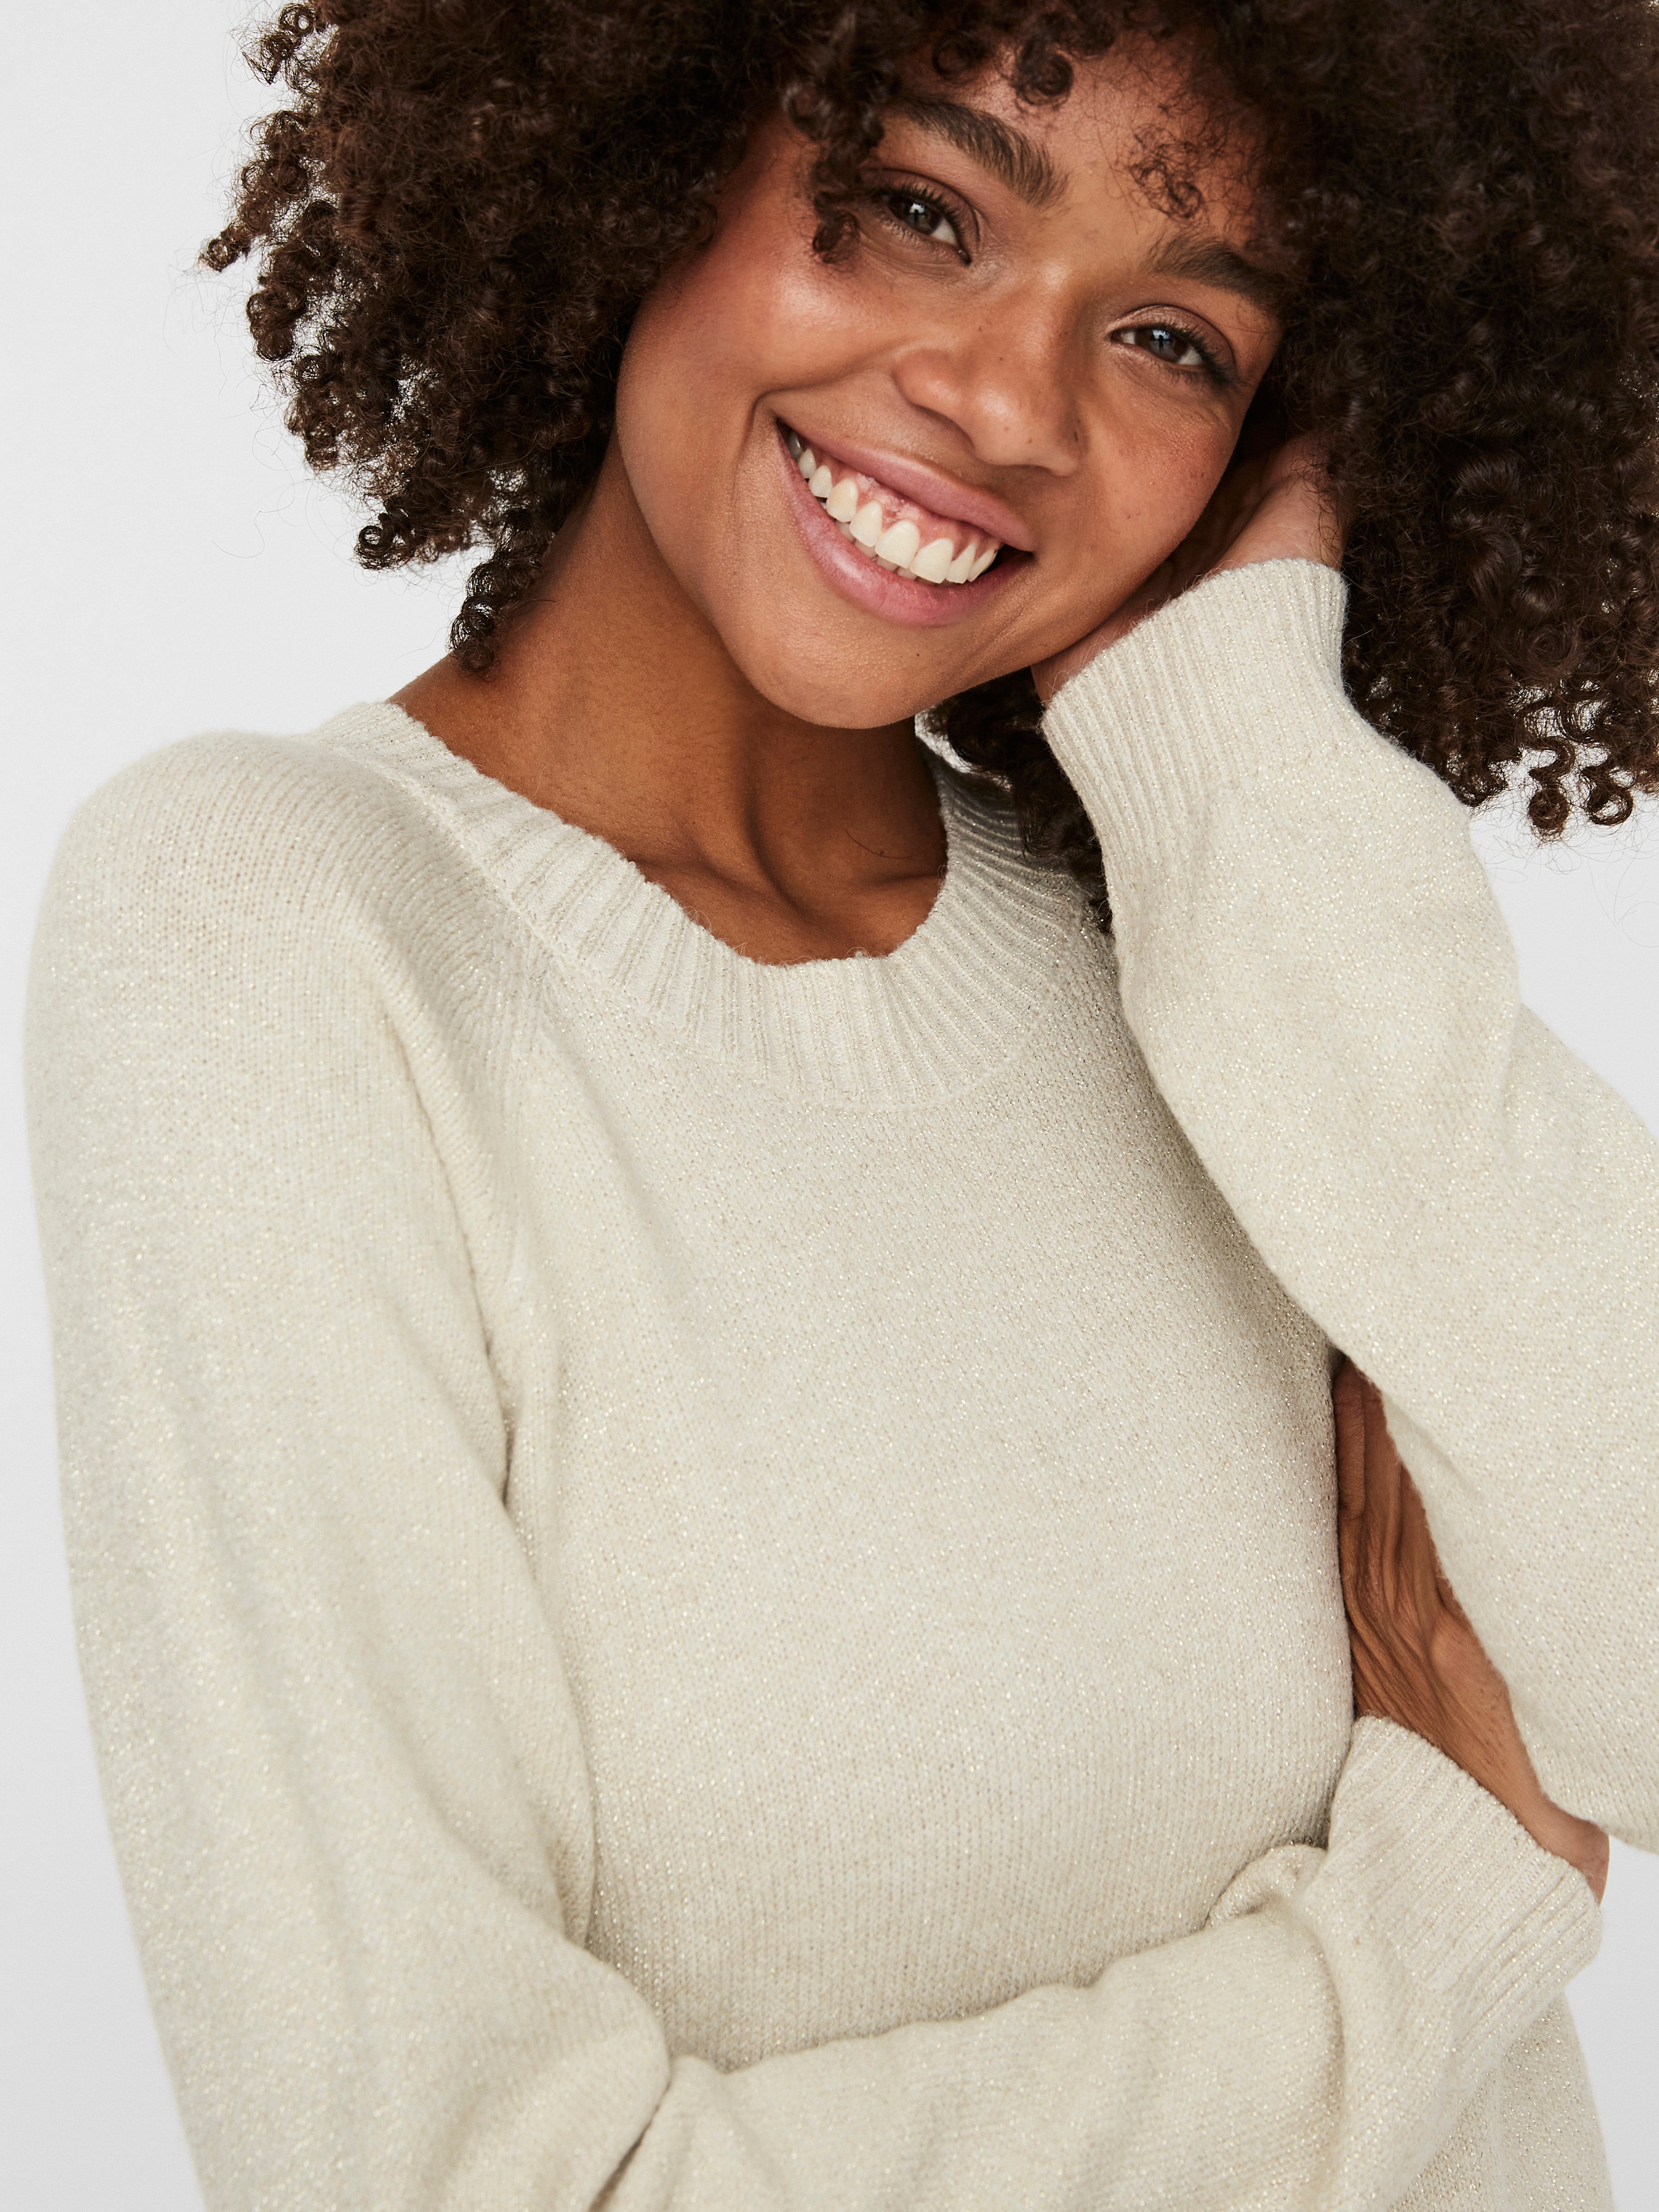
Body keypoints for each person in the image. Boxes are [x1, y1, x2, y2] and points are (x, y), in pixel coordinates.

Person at [24, 1, 1659, 2206]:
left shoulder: (1231, 971)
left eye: (1171, 343)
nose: (1009, 402)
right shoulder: (284, 929)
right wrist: (1420, 1942)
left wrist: (1242, 751)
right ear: (653, 141)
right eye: (919, 210)